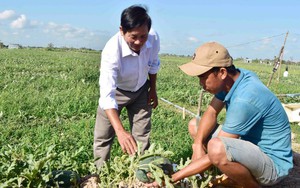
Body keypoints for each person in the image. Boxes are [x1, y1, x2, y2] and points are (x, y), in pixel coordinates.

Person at [146, 42, 293, 188]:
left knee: (216, 148)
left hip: (272, 165)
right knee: (195, 125)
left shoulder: (245, 98)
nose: (201, 84)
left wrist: (175, 177)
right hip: (251, 149)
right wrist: (197, 145)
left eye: (203, 77)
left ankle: (251, 185)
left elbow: (220, 146)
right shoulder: (234, 78)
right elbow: (211, 112)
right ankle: (216, 171)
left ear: (222, 72)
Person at [93, 5, 160, 168]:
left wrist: (153, 90)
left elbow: (153, 64)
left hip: (141, 89)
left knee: (142, 135)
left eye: (143, 36)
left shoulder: (153, 38)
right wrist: (121, 131)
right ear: (122, 30)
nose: (139, 42)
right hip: (116, 91)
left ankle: (141, 173)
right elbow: (107, 97)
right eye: (133, 37)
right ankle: (100, 174)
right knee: (103, 136)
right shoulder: (111, 51)